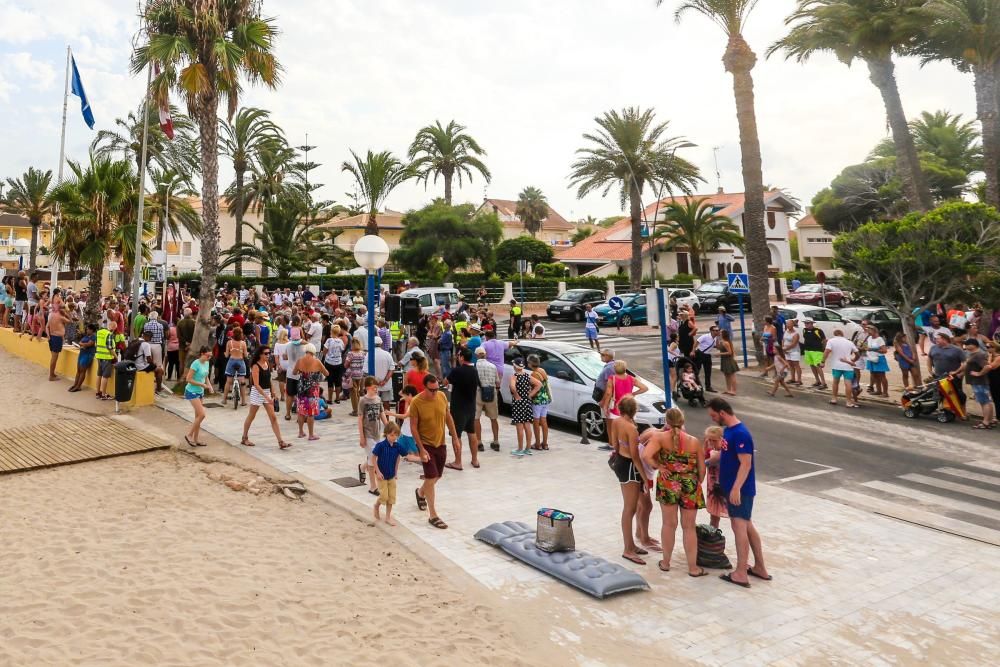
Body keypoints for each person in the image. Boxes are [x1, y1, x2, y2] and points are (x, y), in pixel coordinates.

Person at [707, 397, 770, 588]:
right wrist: (706, 462)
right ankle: (760, 567)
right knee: (747, 526)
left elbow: (746, 464)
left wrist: (735, 488)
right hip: (732, 488)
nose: (712, 419)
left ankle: (741, 573)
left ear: (722, 413)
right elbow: (725, 456)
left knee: (739, 527)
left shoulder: (741, 434)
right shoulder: (729, 431)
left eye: (713, 415)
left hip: (739, 491)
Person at [642, 407, 706, 576]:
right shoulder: (694, 441)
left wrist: (659, 466)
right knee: (689, 527)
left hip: (668, 483)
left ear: (667, 422)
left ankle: (665, 563)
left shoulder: (660, 437)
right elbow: (702, 469)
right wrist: (695, 482)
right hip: (689, 484)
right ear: (683, 421)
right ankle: (693, 568)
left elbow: (646, 455)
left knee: (669, 525)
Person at [411, 374, 461, 529]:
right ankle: (433, 515)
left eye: (436, 389)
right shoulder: (416, 402)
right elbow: (413, 427)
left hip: (441, 443)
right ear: (424, 387)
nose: (434, 392)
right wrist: (421, 449)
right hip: (426, 445)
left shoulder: (441, 396)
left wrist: (455, 438)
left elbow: (448, 416)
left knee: (437, 476)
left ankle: (420, 492)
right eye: (431, 390)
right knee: (431, 476)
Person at [610, 396, 653, 566]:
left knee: (631, 508)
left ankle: (631, 545)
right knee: (629, 509)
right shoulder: (632, 428)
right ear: (634, 410)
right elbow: (636, 457)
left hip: (620, 462)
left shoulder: (616, 422)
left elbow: (614, 444)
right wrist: (645, 478)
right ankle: (628, 549)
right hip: (629, 467)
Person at [241, 345, 291, 449]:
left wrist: (273, 392)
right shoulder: (255, 366)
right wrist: (266, 397)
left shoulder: (267, 364)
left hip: (266, 392)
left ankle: (280, 441)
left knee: (273, 417)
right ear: (260, 354)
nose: (268, 355)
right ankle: (244, 437)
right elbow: (256, 384)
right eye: (266, 353)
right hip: (257, 392)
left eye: (269, 353)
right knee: (251, 416)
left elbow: (269, 380)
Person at [372, 422, 420, 526]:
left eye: (396, 435)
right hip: (381, 475)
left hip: (391, 475)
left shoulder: (397, 446)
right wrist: (378, 472)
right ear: (386, 434)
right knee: (384, 496)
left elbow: (407, 456)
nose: (394, 437)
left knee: (391, 497)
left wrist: (421, 458)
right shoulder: (380, 445)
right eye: (391, 435)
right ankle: (376, 505)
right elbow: (373, 458)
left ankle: (388, 517)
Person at [445, 348, 481, 469]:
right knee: (472, 433)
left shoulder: (457, 371)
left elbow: (445, 382)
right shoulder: (474, 371)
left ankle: (458, 461)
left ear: (461, 357)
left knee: (456, 435)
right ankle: (475, 460)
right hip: (471, 407)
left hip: (458, 407)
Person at [358, 376, 389, 494]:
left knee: (376, 456)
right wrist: (362, 437)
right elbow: (360, 419)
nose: (376, 389)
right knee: (372, 459)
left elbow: (382, 414)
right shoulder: (363, 401)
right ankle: (373, 486)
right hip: (368, 434)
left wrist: (388, 427)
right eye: (374, 387)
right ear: (367, 388)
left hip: (377, 434)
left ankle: (362, 467)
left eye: (377, 387)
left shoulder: (378, 399)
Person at [293, 343, 328, 440]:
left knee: (301, 411)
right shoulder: (317, 361)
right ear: (313, 351)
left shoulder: (300, 360)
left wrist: (302, 371)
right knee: (310, 413)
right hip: (312, 391)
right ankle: (311, 435)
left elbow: (294, 372)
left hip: (301, 390)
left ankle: (300, 432)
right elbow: (326, 373)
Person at [959, 338, 994, 430]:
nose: (965, 346)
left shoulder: (979, 355)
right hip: (978, 382)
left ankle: (985, 422)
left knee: (984, 402)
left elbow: (987, 367)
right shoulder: (975, 354)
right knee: (987, 401)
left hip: (979, 382)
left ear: (973, 345)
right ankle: (989, 420)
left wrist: (979, 373)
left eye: (967, 344)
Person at [183, 346, 214, 448]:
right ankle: (189, 435)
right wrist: (202, 385)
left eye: (210, 356)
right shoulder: (195, 363)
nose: (209, 358)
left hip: (200, 392)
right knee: (202, 415)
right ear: (202, 353)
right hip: (191, 391)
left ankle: (196, 440)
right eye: (208, 356)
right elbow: (188, 379)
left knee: (198, 417)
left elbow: (205, 376)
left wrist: (209, 386)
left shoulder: (207, 363)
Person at [509, 358, 541, 456]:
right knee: (527, 425)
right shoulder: (527, 376)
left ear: (515, 366)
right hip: (526, 402)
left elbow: (513, 387)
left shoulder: (514, 376)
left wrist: (516, 395)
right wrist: (530, 395)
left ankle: (520, 449)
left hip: (518, 403)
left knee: (519, 426)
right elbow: (539, 384)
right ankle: (527, 448)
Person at [928, 332, 967, 411]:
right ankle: (944, 410)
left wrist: (957, 372)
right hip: (938, 376)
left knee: (958, 395)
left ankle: (963, 412)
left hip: (953, 377)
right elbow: (929, 358)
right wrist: (930, 370)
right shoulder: (933, 348)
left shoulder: (957, 349)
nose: (935, 340)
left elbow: (965, 363)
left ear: (944, 339)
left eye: (937, 338)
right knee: (940, 393)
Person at [820, 329, 859, 408]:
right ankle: (848, 401)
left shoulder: (831, 341)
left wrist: (823, 361)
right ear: (842, 334)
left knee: (835, 382)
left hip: (836, 365)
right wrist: (854, 360)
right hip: (848, 366)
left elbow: (827, 351)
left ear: (834, 334)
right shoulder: (849, 342)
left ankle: (834, 399)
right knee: (848, 383)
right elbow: (857, 353)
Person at [474, 347, 501, 452]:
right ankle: (496, 441)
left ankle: (479, 442)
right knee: (494, 418)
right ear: (485, 355)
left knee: (476, 418)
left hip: (478, 393)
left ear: (476, 355)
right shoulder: (493, 366)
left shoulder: (474, 367)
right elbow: (497, 382)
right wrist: (496, 393)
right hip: (491, 393)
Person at [703, 426, 727, 529]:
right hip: (712, 485)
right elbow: (703, 457)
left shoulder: (724, 450)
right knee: (714, 515)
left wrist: (707, 461)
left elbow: (710, 461)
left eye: (714, 440)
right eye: (709, 439)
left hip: (723, 484)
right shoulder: (710, 448)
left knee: (735, 517)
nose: (711, 442)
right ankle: (713, 533)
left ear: (721, 439)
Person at [528, 354, 552, 451]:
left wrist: (529, 395)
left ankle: (537, 444)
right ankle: (545, 443)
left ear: (530, 363)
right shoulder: (542, 370)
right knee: (544, 421)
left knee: (536, 422)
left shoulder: (534, 374)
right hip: (546, 399)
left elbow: (536, 388)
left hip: (537, 400)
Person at [222, 327, 248, 407]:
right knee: (242, 382)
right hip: (240, 362)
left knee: (228, 381)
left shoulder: (229, 342)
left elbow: (226, 355)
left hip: (231, 361)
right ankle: (243, 401)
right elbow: (246, 355)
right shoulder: (243, 343)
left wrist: (225, 353)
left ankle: (224, 399)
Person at [68, 323, 98, 393]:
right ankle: (75, 384)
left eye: (88, 329)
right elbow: (80, 342)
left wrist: (82, 344)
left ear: (91, 330)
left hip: (87, 355)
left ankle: (78, 386)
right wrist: (83, 344)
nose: (86, 330)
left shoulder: (93, 337)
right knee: (78, 370)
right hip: (82, 353)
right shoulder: (87, 336)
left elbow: (89, 344)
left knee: (82, 370)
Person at [863, 325, 890, 397]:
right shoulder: (869, 338)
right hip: (871, 358)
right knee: (874, 375)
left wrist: (872, 349)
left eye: (869, 330)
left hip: (879, 358)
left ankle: (885, 392)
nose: (867, 332)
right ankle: (878, 390)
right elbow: (867, 346)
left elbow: (884, 350)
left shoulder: (879, 339)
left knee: (881, 376)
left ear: (874, 330)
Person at [801, 317, 827, 389]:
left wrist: (823, 349)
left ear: (812, 323)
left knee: (818, 366)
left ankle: (823, 383)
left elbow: (824, 340)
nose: (806, 324)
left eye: (808, 323)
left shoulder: (818, 330)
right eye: (805, 323)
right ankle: (817, 381)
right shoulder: (804, 330)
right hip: (808, 350)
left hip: (817, 351)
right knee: (812, 365)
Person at [45, 306, 69, 381]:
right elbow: (70, 321)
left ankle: (52, 373)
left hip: (52, 337)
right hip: (56, 338)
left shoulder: (52, 316)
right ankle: (51, 375)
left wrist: (48, 335)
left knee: (53, 357)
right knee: (54, 358)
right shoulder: (61, 317)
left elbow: (47, 326)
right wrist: (66, 314)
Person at [343, 338, 366, 416]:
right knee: (357, 392)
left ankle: (356, 410)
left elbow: (346, 365)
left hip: (352, 375)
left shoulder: (351, 353)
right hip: (360, 374)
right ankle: (358, 408)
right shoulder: (362, 353)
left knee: (353, 392)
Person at [694, 325, 719, 392]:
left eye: (718, 330)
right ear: (711, 331)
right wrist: (692, 351)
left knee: (708, 371)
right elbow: (697, 342)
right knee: (697, 370)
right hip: (700, 353)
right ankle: (694, 384)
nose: (717, 332)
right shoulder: (705, 336)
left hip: (707, 355)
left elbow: (716, 346)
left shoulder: (715, 338)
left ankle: (708, 386)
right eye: (716, 330)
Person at [718, 330, 739, 396]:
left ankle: (734, 391)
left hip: (728, 360)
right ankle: (729, 389)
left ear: (723, 334)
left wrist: (720, 353)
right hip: (724, 360)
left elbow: (730, 352)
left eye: (721, 332)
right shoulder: (722, 341)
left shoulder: (726, 343)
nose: (719, 333)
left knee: (732, 375)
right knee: (726, 375)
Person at [782, 320, 802, 385]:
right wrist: (783, 347)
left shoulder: (796, 333)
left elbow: (794, 343)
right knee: (790, 365)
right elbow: (783, 340)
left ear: (792, 325)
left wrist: (785, 349)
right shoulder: (786, 332)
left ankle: (799, 380)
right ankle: (792, 378)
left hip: (794, 351)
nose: (788, 326)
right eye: (787, 324)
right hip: (787, 351)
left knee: (796, 365)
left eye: (789, 324)